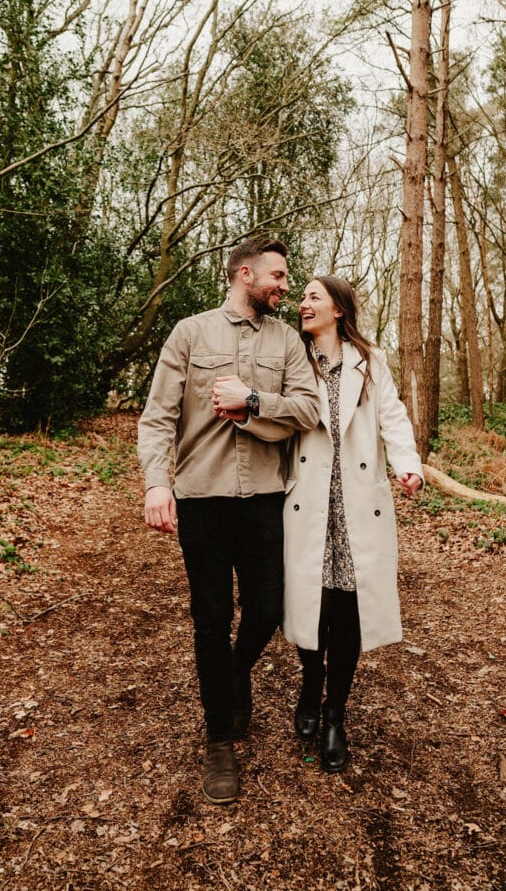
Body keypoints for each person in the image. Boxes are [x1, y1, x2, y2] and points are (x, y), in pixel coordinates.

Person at [138, 237, 319, 805]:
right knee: (211, 620)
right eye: (278, 276)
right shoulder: (189, 333)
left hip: (266, 498)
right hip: (203, 500)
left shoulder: (286, 340)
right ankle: (219, 740)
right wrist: (156, 482)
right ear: (246, 274)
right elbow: (157, 416)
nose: (285, 286)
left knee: (268, 606)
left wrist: (254, 401)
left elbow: (308, 408)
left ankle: (235, 672)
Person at [282, 275, 423, 774]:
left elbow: (393, 416)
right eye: (302, 297)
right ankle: (310, 683)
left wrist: (407, 463)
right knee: (309, 603)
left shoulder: (371, 360)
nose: (303, 304)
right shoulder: (293, 358)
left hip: (356, 505)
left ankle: (335, 713)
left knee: (347, 613)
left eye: (313, 297)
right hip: (307, 502)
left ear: (338, 309)